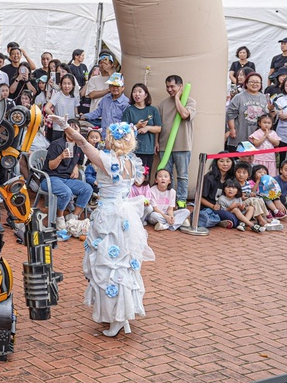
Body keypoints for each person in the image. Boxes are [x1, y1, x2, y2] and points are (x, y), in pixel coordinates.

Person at [55, 117, 155, 337]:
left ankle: (117, 318)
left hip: (109, 215)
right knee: (123, 264)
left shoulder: (110, 161)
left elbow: (82, 142)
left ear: (113, 140)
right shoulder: (130, 162)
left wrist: (64, 126)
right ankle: (122, 316)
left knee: (109, 266)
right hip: (123, 216)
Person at [43, 119, 94, 232]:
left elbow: (79, 161)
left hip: (67, 179)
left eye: (75, 129)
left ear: (79, 131)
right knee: (66, 192)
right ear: (65, 130)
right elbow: (51, 166)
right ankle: (59, 217)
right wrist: (61, 156)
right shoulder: (57, 144)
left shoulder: (79, 145)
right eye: (70, 128)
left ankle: (73, 217)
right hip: (51, 178)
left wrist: (75, 166)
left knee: (87, 189)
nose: (72, 131)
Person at [157, 74, 196, 208]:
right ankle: (168, 201)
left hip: (183, 146)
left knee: (182, 176)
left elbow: (184, 115)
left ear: (180, 87)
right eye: (167, 87)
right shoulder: (162, 103)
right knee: (166, 176)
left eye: (172, 86)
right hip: (164, 145)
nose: (169, 89)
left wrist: (178, 98)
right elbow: (159, 125)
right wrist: (157, 142)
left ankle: (181, 200)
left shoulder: (190, 101)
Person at [121, 83, 161, 176]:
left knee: (145, 176)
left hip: (148, 149)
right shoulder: (129, 110)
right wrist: (137, 126)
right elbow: (123, 130)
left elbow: (158, 128)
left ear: (146, 95)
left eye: (140, 91)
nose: (137, 94)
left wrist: (148, 128)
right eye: (134, 92)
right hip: (132, 150)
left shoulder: (153, 110)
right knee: (133, 176)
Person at [226, 72, 270, 150]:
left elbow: (269, 116)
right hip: (240, 133)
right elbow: (230, 114)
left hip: (258, 136)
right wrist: (232, 129)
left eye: (257, 82)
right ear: (246, 83)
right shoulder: (239, 97)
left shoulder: (264, 98)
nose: (255, 84)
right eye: (252, 82)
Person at [44, 74, 79, 141]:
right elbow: (46, 108)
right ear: (60, 85)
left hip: (70, 128)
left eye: (69, 84)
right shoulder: (58, 95)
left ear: (73, 85)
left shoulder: (74, 97)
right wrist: (56, 118)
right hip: (59, 128)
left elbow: (75, 112)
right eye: (64, 83)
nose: (67, 86)